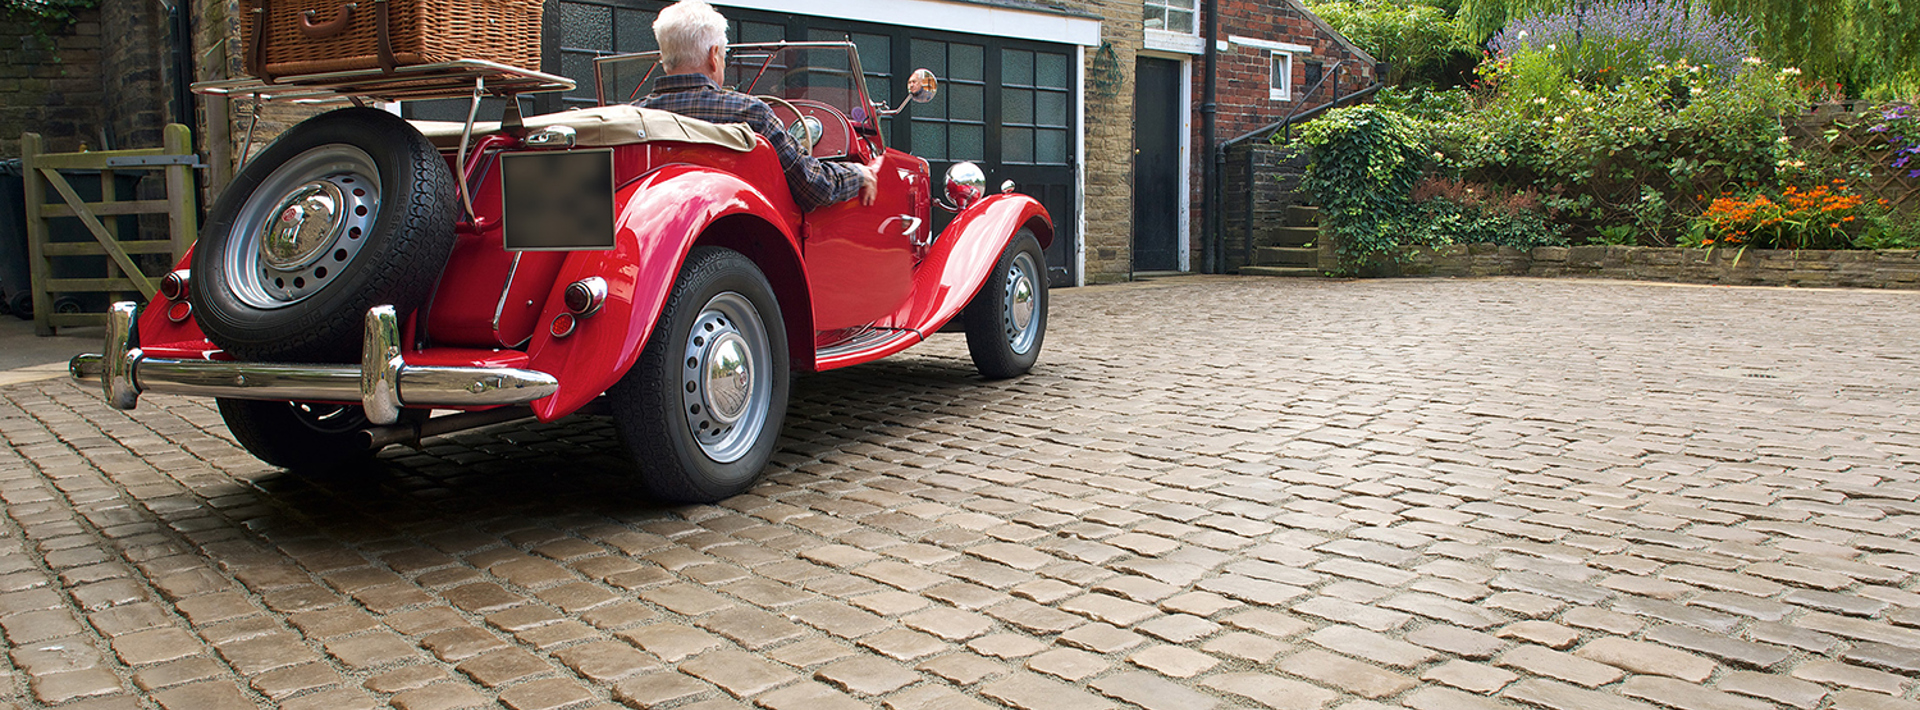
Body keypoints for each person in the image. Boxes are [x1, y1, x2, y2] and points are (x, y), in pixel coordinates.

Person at [638, 0, 877, 211]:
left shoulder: (636, 116)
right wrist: (858, 174)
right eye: (724, 55)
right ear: (713, 56)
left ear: (664, 58)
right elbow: (812, 186)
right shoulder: (749, 113)